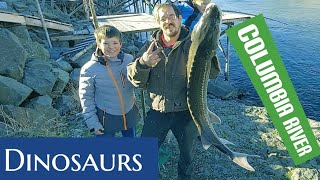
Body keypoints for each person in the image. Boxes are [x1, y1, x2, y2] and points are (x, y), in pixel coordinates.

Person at [127, 3, 219, 179]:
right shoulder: (149, 46)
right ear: (158, 22)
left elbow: (213, 74)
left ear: (179, 18)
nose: (168, 21)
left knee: (187, 156)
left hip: (185, 112)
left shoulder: (193, 43)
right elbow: (136, 81)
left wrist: (208, 51)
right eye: (163, 18)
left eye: (171, 16)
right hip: (158, 111)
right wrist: (143, 63)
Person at [79, 25, 139, 137]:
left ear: (120, 44)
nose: (111, 47)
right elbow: (86, 98)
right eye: (106, 43)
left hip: (129, 113)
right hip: (105, 118)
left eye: (115, 43)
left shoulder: (129, 59)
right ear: (98, 45)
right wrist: (93, 123)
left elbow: (139, 81)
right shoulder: (89, 69)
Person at [176, 0, 221, 79]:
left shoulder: (204, 12)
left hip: (198, 46)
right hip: (181, 44)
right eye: (203, 4)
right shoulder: (183, 7)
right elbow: (168, 8)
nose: (206, 6)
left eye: (208, 4)